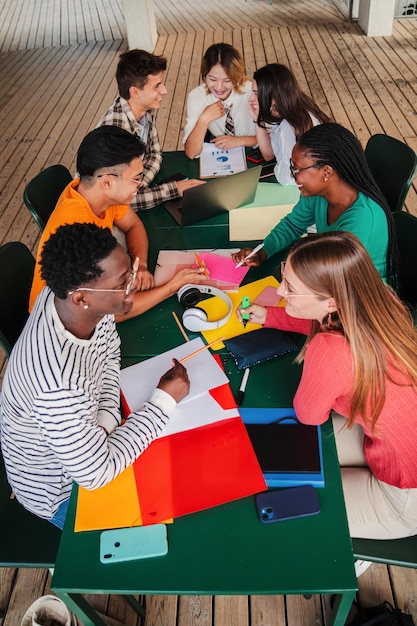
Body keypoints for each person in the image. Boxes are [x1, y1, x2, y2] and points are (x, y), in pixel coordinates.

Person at [1, 223, 191, 528]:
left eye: (130, 272)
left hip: (86, 443)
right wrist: (163, 402)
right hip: (63, 492)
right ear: (81, 298)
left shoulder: (77, 302)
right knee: (177, 520)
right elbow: (96, 475)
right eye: (122, 282)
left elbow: (109, 351)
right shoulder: (57, 385)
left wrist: (106, 419)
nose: (134, 285)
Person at [237, 231, 417, 540]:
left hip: (404, 497)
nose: (280, 292)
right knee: (287, 459)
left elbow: (310, 416)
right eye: (284, 277)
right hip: (388, 446)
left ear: (332, 300)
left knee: (287, 497)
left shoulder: (330, 349)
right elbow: (323, 316)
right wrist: (269, 315)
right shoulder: (377, 298)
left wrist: (324, 376)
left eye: (290, 288)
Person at [29, 126, 206, 320]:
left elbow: (133, 225)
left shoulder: (97, 194)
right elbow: (110, 312)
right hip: (60, 324)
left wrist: (141, 265)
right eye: (136, 179)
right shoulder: (77, 227)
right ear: (107, 182)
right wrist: (172, 287)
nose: (139, 186)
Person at [232, 123, 398, 287]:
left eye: (296, 169)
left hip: (364, 297)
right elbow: (292, 225)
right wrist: (263, 251)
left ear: (326, 172)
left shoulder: (363, 222)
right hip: (333, 280)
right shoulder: (319, 192)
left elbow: (339, 282)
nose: (291, 174)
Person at [97, 49, 204, 210]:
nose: (164, 91)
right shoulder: (115, 132)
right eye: (157, 86)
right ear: (135, 92)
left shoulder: (143, 110)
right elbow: (120, 202)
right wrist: (174, 189)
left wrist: (138, 187)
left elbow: (154, 154)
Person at [248, 63, 332, 185]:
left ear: (274, 96)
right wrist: (258, 120)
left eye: (256, 93)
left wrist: (279, 167)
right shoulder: (297, 107)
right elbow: (268, 155)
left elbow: (286, 178)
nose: (251, 99)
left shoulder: (288, 127)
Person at [183, 43, 257, 159]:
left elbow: (273, 138)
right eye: (212, 79)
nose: (219, 87)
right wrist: (204, 120)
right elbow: (191, 153)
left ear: (237, 77)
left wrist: (239, 141)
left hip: (255, 153)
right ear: (204, 75)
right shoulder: (196, 96)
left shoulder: (252, 93)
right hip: (221, 155)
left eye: (227, 80)